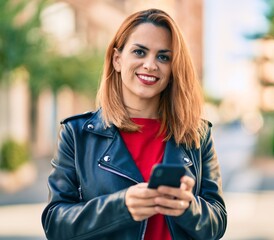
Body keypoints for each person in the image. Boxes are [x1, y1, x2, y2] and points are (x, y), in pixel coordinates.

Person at [41, 8, 227, 240]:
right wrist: (121, 206)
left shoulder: (197, 134)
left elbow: (217, 223)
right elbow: (55, 224)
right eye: (139, 52)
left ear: (173, 68)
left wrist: (189, 208)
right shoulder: (77, 134)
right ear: (118, 59)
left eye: (163, 57)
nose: (150, 65)